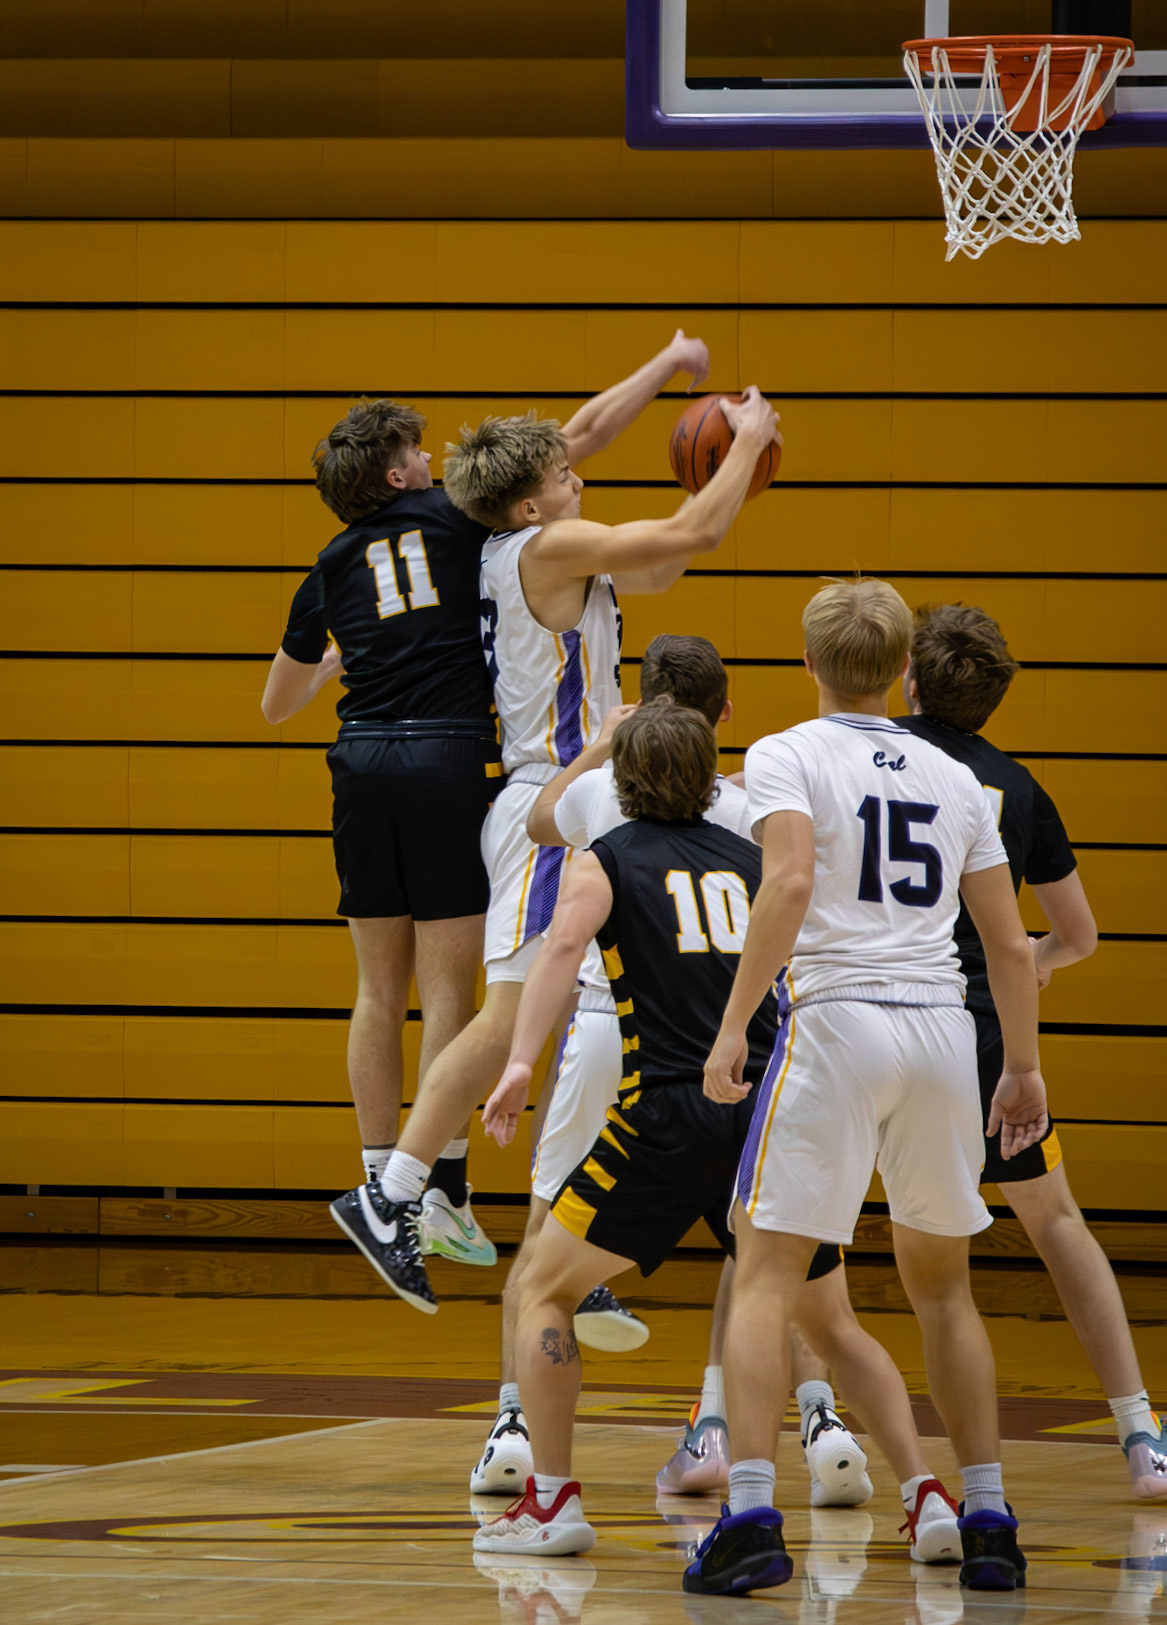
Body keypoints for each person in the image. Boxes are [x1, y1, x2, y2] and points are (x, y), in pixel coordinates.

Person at [329, 360, 783, 1315]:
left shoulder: (536, 547)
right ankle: (392, 1191)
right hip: (551, 798)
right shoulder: (545, 546)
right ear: (532, 501)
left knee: (593, 1026)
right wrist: (741, 447)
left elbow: (667, 556)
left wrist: (708, 487)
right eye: (565, 476)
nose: (580, 476)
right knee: (508, 1020)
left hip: (571, 797)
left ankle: (571, 1237)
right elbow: (692, 532)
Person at [470, 699, 963, 1563]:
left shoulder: (604, 858)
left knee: (542, 1287)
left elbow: (556, 950)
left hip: (664, 1114)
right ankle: (927, 1497)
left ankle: (550, 1502)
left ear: (620, 777)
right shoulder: (756, 856)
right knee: (834, 1322)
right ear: (711, 776)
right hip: (770, 1112)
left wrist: (517, 1062)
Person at [688, 577, 1049, 1598]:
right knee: (945, 1287)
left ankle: (752, 1514)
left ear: (809, 665)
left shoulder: (785, 752)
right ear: (901, 671)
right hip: (941, 1028)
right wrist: (1020, 1065)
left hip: (837, 1024)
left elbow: (791, 882)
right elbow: (1010, 943)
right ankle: (988, 1516)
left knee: (764, 1273)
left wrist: (730, 1026)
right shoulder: (953, 775)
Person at [898, 602, 1166, 1502]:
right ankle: (1139, 1434)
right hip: (979, 1030)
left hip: (876, 1019)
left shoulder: (871, 756)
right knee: (1056, 1224)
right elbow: (1077, 934)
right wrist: (1033, 969)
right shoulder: (1017, 786)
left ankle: (756, 1426)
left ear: (907, 677)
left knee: (783, 1238)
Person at [261, 397, 498, 1265]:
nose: (431, 454)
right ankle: (434, 1182)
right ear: (397, 472)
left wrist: (333, 662)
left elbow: (274, 705)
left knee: (375, 988)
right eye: (415, 448)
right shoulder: (456, 517)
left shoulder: (326, 564)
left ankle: (373, 1182)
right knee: (447, 992)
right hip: (446, 759)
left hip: (360, 763)